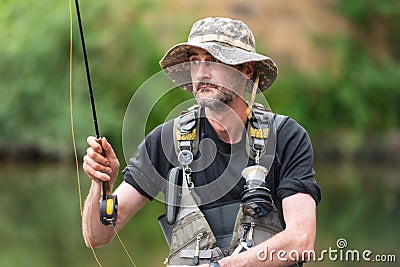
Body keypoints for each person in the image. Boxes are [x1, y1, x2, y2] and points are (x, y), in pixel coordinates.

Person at [82, 17, 321, 267]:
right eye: (195, 61)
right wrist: (101, 184)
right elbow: (97, 236)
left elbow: (301, 240)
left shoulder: (286, 137)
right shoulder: (165, 141)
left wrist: (225, 266)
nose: (202, 72)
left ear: (246, 70)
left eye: (215, 60)